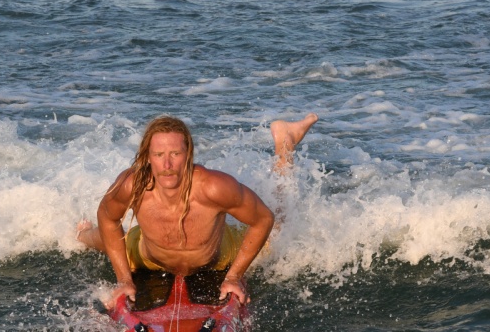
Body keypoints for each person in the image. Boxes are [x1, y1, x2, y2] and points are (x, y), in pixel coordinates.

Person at [78, 113, 318, 306]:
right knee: (102, 239)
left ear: (188, 154)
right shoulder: (132, 186)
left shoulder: (214, 188)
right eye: (159, 155)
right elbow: (108, 218)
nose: (167, 164)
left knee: (277, 231)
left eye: (175, 154)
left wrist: (234, 276)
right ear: (148, 157)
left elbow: (263, 219)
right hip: (148, 255)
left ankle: (285, 144)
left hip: (218, 257)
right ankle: (82, 233)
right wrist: (123, 279)